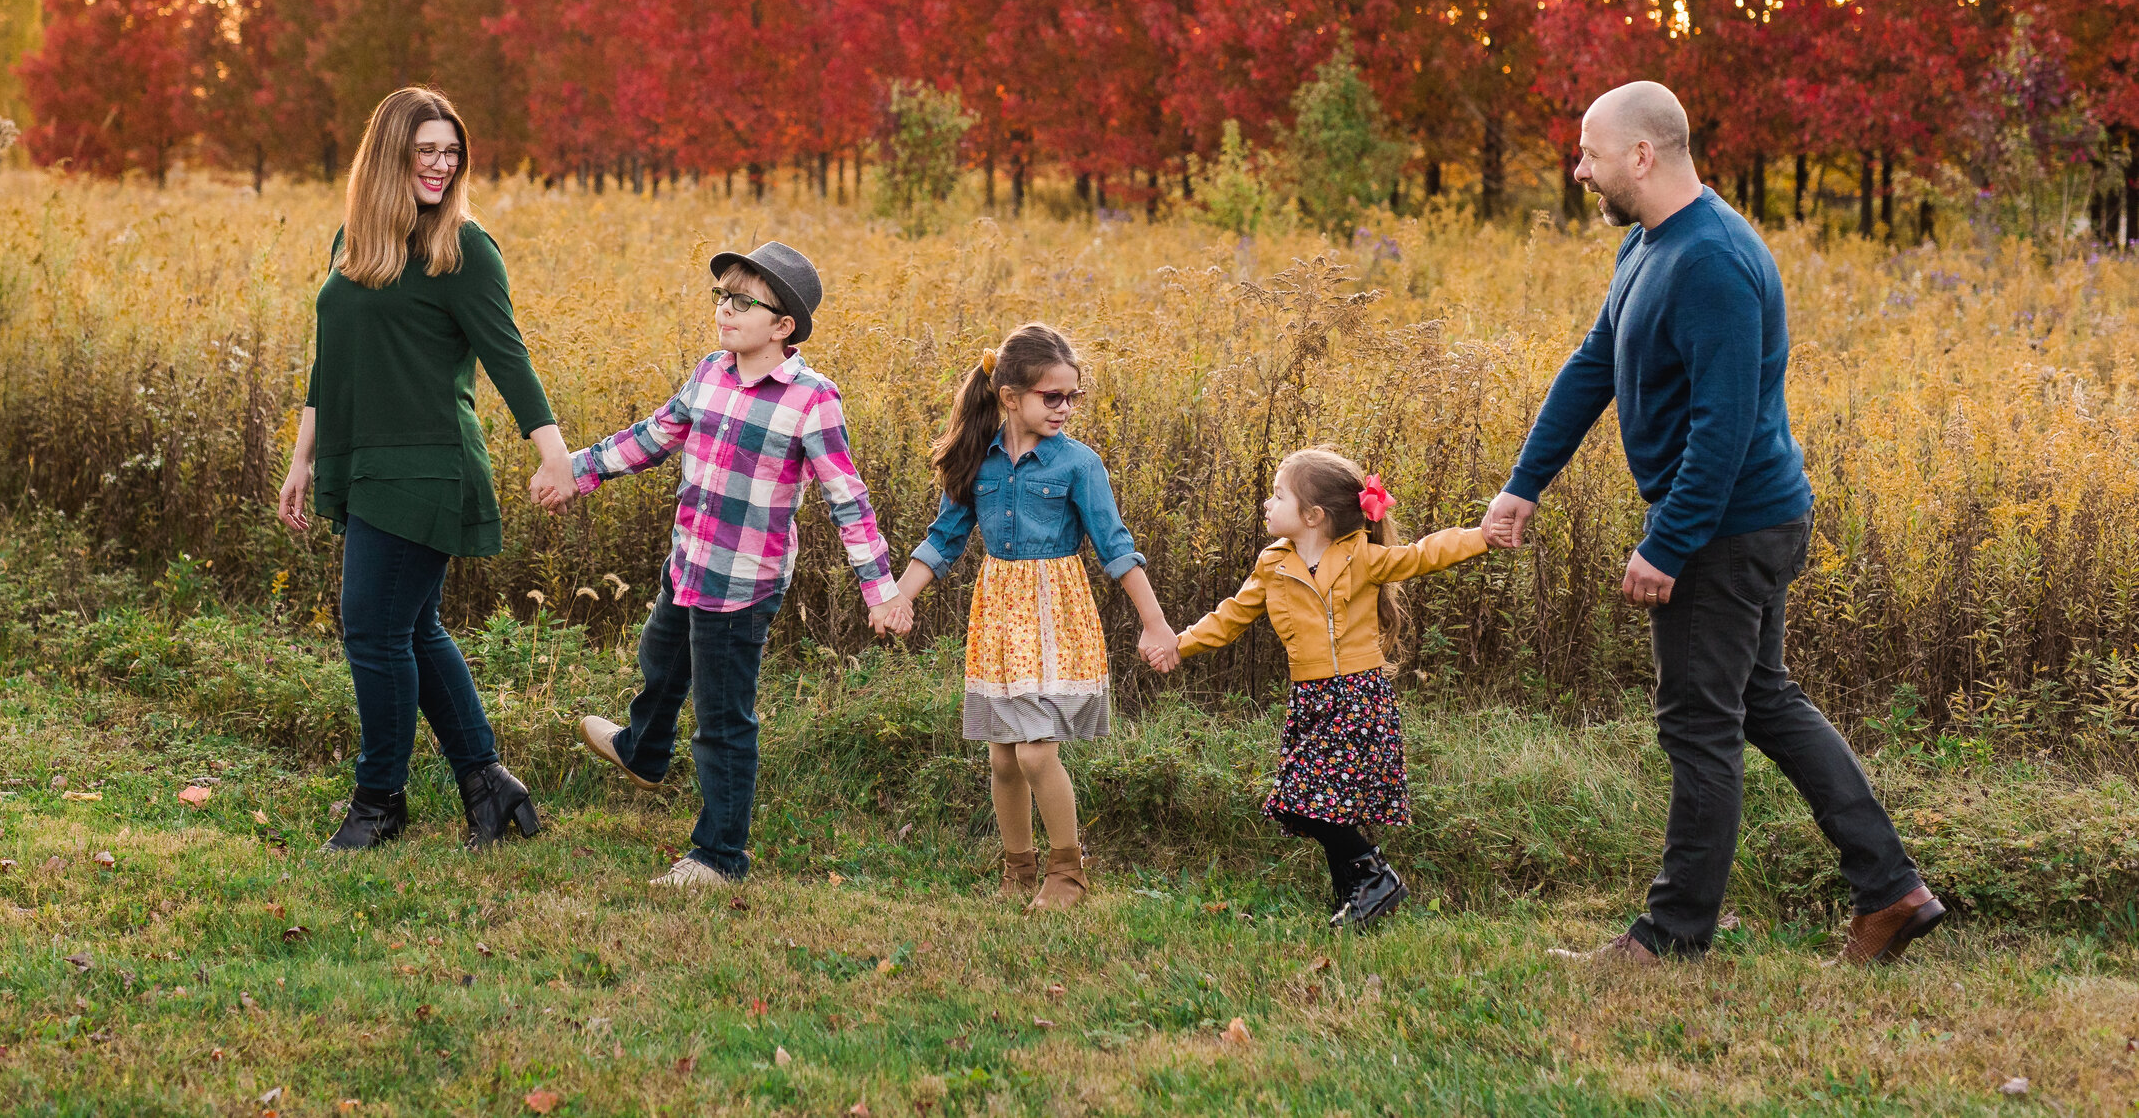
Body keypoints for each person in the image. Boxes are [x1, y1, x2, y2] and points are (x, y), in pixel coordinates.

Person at [1483, 80, 1940, 965]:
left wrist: (1668, 542)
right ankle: (1892, 891)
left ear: (1642, 156)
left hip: (1730, 525)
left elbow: (1723, 430)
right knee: (1762, 700)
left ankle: (1670, 936)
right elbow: (1593, 366)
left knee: (1698, 723)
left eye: (1590, 153)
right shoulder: (1649, 245)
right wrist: (1523, 482)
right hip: (1734, 517)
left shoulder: (1715, 262)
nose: (1581, 170)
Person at [278, 87, 576, 853]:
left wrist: (555, 454)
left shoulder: (464, 247)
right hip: (364, 461)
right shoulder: (354, 241)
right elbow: (332, 360)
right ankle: (487, 782)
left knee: (374, 631)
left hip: (429, 466)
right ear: (390, 155)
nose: (442, 165)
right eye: (427, 150)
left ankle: (379, 801)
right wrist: (302, 457)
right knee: (410, 629)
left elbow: (508, 355)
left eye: (452, 151)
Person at [554, 241, 907, 887]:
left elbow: (846, 497)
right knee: (661, 660)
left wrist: (879, 589)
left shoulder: (811, 399)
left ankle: (719, 853)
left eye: (743, 300)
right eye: (721, 296)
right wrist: (576, 471)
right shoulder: (710, 373)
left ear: (782, 326)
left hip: (742, 585)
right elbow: (653, 435)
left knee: (722, 717)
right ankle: (643, 749)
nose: (725, 309)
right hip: (688, 561)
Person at [883, 323, 1179, 912]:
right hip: (997, 613)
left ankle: (1067, 872)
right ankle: (1017, 870)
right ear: (1010, 395)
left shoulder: (1078, 464)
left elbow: (1116, 546)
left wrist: (1155, 622)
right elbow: (944, 539)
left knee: (1037, 750)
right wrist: (901, 595)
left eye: (1072, 397)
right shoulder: (978, 460)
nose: (1065, 408)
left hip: (1055, 614)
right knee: (1002, 755)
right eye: (1053, 396)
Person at [1169, 446, 1502, 929]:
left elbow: (1425, 554)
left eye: (1278, 495)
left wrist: (1483, 537)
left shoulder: (1360, 558)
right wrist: (1179, 646)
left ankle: (1376, 881)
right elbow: (1232, 616)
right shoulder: (1273, 565)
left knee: (1309, 798)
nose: (1268, 502)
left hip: (1356, 695)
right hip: (1310, 698)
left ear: (1312, 515)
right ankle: (1356, 892)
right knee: (1317, 803)